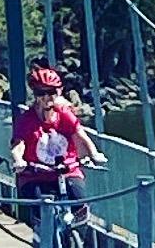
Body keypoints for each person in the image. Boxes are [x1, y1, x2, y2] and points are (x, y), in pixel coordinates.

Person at [11, 67, 102, 197]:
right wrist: (18, 160)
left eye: (51, 92)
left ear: (58, 92)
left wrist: (94, 154)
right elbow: (18, 145)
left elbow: (82, 136)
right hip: (36, 174)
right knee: (39, 204)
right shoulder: (26, 120)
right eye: (40, 93)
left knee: (79, 199)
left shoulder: (65, 114)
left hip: (67, 170)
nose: (46, 97)